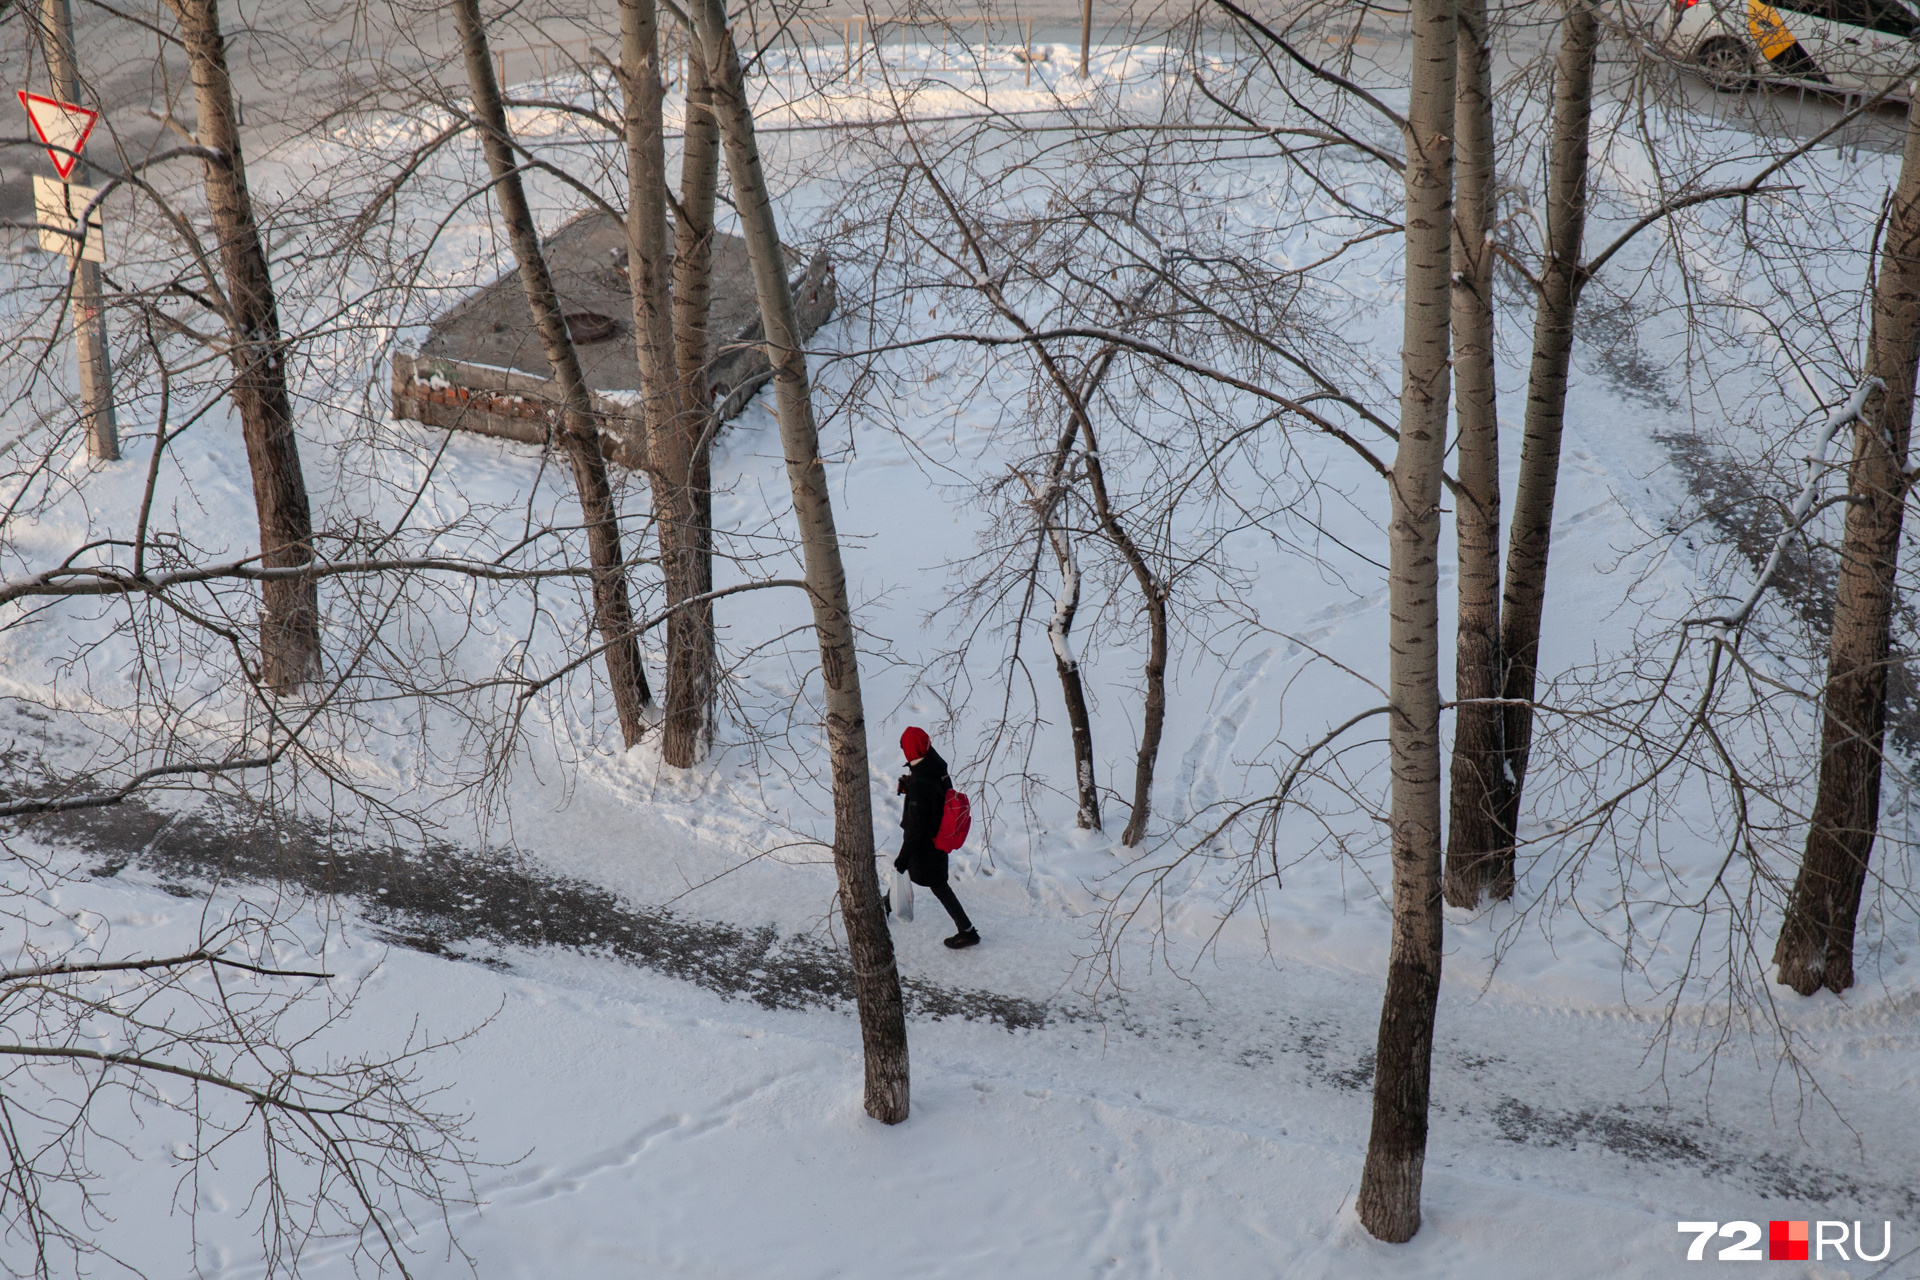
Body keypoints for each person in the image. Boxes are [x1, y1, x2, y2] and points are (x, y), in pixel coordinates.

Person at [893, 726, 980, 949]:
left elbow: (916, 826)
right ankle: (885, 906)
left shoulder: (921, 781)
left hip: (926, 843)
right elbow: (938, 797)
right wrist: (910, 788)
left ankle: (967, 931)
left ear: (910, 750)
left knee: (932, 882)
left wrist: (903, 856)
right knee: (910, 875)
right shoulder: (935, 766)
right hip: (937, 837)